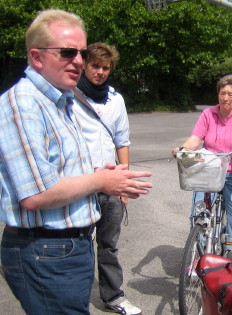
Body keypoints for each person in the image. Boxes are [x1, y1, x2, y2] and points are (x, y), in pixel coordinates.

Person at [0, 9, 152, 315]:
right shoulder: (24, 105)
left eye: (81, 53)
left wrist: (101, 173)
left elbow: (62, 168)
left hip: (66, 248)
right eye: (68, 52)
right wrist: (99, 181)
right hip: (46, 250)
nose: (79, 61)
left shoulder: (59, 101)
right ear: (36, 57)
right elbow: (35, 194)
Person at [72, 43, 140, 315]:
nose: (100, 71)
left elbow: (122, 142)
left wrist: (124, 181)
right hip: (82, 184)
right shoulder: (69, 95)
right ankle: (75, 299)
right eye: (95, 66)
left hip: (111, 182)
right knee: (78, 244)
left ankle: (113, 297)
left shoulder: (116, 100)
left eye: (105, 67)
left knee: (109, 245)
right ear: (85, 65)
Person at [175, 74, 232, 262]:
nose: (226, 98)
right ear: (218, 95)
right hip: (210, 170)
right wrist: (184, 150)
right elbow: (196, 138)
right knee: (198, 213)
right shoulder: (208, 114)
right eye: (223, 93)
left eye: (230, 94)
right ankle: (199, 257)